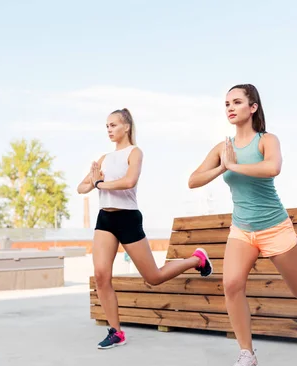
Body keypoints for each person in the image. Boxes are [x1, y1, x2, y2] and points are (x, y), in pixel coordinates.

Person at [188, 84, 297, 366]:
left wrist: (233, 166)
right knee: (232, 285)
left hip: (275, 227)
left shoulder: (267, 141)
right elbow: (193, 180)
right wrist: (222, 166)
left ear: (253, 107)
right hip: (242, 229)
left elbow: (272, 168)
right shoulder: (223, 148)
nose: (230, 108)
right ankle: (247, 354)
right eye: (226, 104)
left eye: (237, 102)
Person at [78, 108, 213, 350]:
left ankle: (196, 259)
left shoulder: (135, 152)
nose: (109, 130)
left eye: (113, 125)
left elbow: (128, 182)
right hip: (105, 220)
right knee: (101, 275)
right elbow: (81, 188)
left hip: (128, 219)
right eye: (107, 126)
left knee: (154, 277)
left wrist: (99, 182)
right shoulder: (103, 158)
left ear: (126, 127)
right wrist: (92, 178)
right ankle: (116, 332)